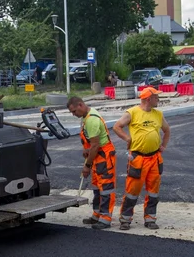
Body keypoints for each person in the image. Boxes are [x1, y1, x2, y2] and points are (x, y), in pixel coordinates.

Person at [112, 87, 170, 230]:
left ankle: (150, 219)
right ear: (148, 99)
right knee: (132, 190)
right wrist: (127, 138)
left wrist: (163, 146)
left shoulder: (158, 114)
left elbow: (167, 130)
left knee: (153, 191)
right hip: (138, 159)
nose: (158, 99)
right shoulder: (132, 113)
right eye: (156, 97)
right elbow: (117, 127)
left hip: (155, 158)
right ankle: (125, 220)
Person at [67, 96, 115, 230]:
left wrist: (87, 166)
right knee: (97, 187)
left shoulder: (92, 120)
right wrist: (87, 150)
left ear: (81, 105)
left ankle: (105, 219)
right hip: (97, 157)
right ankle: (97, 214)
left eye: (74, 111)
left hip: (104, 157)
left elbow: (95, 145)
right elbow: (91, 145)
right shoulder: (86, 117)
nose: (74, 114)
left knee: (106, 188)